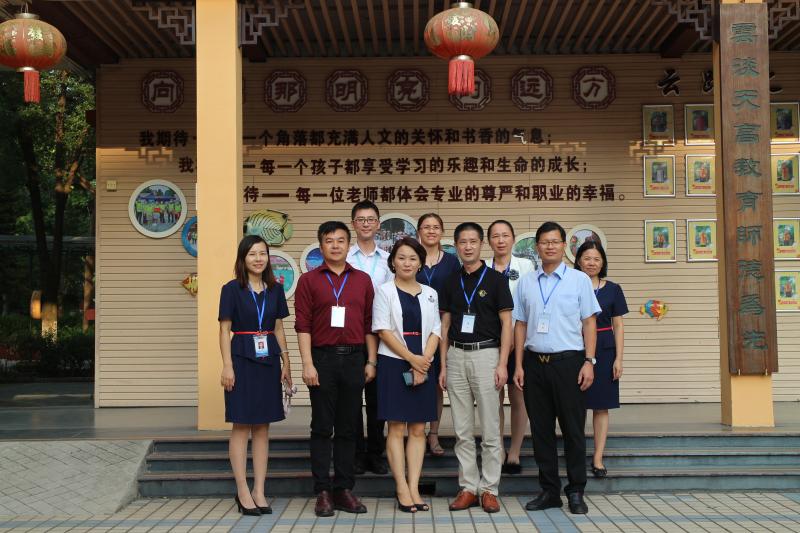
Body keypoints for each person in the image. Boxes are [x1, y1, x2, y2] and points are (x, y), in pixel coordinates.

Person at [512, 221, 600, 515]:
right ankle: (549, 491)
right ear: (536, 247)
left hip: (569, 363)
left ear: (564, 246)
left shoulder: (579, 280)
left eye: (555, 241)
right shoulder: (526, 282)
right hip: (534, 364)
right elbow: (520, 324)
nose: (549, 246)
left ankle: (576, 490)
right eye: (544, 242)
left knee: (573, 430)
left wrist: (589, 361)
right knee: (541, 431)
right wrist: (519, 364)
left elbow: (589, 322)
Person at [295, 221, 377, 517]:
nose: (335, 245)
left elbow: (369, 324)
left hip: (355, 359)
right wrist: (307, 363)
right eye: (329, 241)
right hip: (322, 360)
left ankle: (343, 489)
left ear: (348, 244)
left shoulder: (362, 280)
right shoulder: (309, 280)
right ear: (321, 246)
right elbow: (303, 325)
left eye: (341, 240)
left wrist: (371, 360)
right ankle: (322, 491)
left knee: (348, 428)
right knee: (321, 427)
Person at [439, 222, 513, 514]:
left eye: (473, 241)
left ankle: (490, 489)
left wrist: (503, 363)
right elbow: (445, 325)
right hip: (456, 355)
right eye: (462, 242)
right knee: (462, 429)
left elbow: (507, 324)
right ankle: (468, 487)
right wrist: (443, 365)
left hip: (487, 355)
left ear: (481, 244)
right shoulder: (450, 281)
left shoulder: (496, 280)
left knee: (491, 429)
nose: (468, 246)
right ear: (456, 245)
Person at [218, 235, 292, 516]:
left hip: (268, 360)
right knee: (241, 425)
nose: (258, 259)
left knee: (262, 427)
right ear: (243, 258)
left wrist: (287, 362)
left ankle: (259, 490)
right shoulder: (231, 289)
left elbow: (278, 328)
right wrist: (227, 365)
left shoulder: (275, 289)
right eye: (252, 254)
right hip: (241, 359)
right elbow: (224, 330)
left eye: (262, 253)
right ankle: (242, 490)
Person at [373, 237, 441, 513]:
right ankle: (401, 487)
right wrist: (412, 359)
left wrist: (423, 361)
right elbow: (383, 330)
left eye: (413, 258)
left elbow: (436, 330)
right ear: (393, 261)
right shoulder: (384, 291)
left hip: (424, 362)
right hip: (394, 363)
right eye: (401, 257)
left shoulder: (430, 293)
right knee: (397, 427)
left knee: (418, 429)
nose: (407, 263)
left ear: (421, 263)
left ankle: (414, 487)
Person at [574, 241, 628, 478]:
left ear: (603, 262)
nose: (591, 263)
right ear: (578, 261)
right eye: (587, 258)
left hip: (605, 349)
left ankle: (597, 457)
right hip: (575, 347)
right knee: (575, 405)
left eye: (596, 259)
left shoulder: (613, 289)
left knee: (601, 405)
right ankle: (576, 454)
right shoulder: (570, 286)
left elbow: (619, 325)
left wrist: (619, 358)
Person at [346, 200, 392, 475]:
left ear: (378, 224)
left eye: (370, 219)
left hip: (381, 335)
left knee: (377, 400)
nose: (366, 224)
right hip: (351, 334)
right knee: (352, 399)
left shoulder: (388, 260)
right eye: (361, 219)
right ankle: (356, 454)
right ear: (353, 224)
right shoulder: (345, 258)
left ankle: (376, 453)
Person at [487, 220, 535, 475]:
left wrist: (518, 337)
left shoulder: (526, 266)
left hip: (520, 341)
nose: (501, 240)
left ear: (513, 239)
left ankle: (514, 451)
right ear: (489, 241)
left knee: (518, 397)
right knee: (493, 399)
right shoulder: (483, 267)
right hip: (490, 342)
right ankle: (498, 450)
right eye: (495, 236)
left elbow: (529, 304)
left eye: (505, 235)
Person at [415, 213, 460, 456]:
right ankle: (415, 433)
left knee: (436, 382)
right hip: (414, 326)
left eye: (435, 227)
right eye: (426, 227)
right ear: (418, 231)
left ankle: (433, 434)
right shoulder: (411, 256)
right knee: (414, 376)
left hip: (443, 327)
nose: (431, 231)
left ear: (442, 231)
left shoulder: (452, 262)